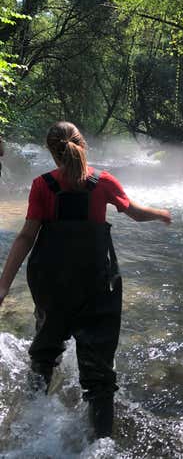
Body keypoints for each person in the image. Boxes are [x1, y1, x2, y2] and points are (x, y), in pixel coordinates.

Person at [0, 121, 171, 438]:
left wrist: (3, 285)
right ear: (83, 145)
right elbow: (134, 212)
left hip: (52, 287)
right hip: (97, 287)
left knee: (43, 355)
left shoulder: (42, 186)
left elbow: (26, 237)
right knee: (99, 376)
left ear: (52, 152)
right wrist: (160, 214)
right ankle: (100, 445)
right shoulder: (103, 182)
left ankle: (25, 434)